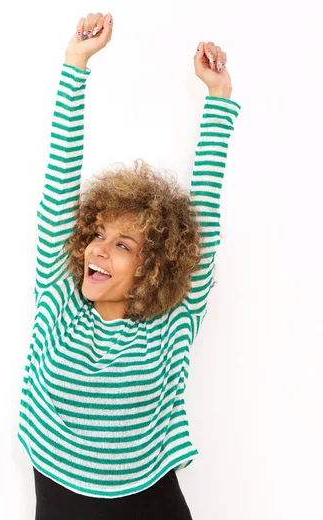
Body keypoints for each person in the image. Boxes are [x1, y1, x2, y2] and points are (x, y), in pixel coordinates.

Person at [16, 11, 242, 520]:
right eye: (98, 234)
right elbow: (59, 185)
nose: (98, 248)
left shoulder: (172, 322)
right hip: (60, 490)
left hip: (149, 494)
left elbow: (203, 208)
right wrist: (76, 64)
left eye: (122, 245)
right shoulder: (61, 301)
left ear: (155, 267)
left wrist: (219, 100)